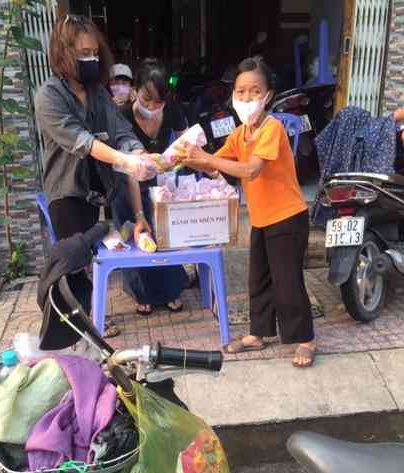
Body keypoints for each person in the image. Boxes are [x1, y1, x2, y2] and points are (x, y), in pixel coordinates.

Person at [179, 57, 316, 368]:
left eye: (254, 91)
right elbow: (214, 162)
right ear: (233, 95)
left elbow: (251, 170)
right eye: (240, 91)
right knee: (259, 280)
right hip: (262, 218)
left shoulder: (272, 128)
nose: (246, 97)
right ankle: (258, 334)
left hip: (288, 217)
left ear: (267, 96)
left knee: (287, 282)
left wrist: (207, 160)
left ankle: (306, 338)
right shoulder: (240, 134)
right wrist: (180, 156)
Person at [35, 15, 158, 336]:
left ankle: (89, 316)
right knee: (73, 261)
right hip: (67, 191)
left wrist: (137, 152)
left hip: (97, 189)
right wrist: (123, 159)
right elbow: (82, 141)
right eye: (82, 53)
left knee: (95, 253)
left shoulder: (98, 94)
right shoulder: (49, 96)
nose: (90, 59)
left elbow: (121, 131)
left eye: (93, 52)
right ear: (62, 53)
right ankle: (78, 325)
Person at [114, 59, 190, 315]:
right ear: (135, 91)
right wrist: (139, 214)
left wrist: (179, 161)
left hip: (159, 181)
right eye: (147, 99)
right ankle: (141, 293)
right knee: (137, 236)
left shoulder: (172, 110)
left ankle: (170, 291)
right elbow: (129, 172)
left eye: (159, 102)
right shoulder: (123, 116)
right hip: (126, 183)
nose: (152, 107)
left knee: (164, 233)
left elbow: (187, 144)